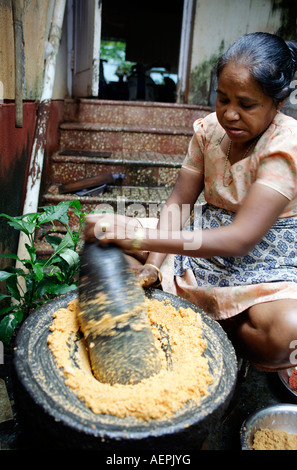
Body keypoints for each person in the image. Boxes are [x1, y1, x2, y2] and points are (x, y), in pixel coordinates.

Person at [84, 32, 297, 372]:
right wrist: (153, 265)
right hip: (203, 242)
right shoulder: (209, 132)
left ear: (277, 103)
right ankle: (183, 315)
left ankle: (210, 339)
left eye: (246, 104)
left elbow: (240, 239)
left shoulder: (286, 145)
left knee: (288, 333)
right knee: (101, 238)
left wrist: (138, 237)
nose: (229, 114)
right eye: (222, 98)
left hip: (266, 262)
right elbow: (179, 204)